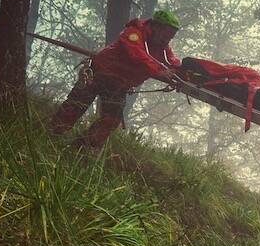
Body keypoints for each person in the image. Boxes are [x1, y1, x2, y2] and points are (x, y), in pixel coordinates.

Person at [50, 10, 182, 149]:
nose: (168, 39)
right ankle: (51, 137)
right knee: (74, 108)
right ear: (156, 26)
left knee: (110, 121)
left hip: (119, 85)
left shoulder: (162, 47)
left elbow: (172, 62)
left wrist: (181, 74)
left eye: (171, 36)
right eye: (166, 34)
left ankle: (80, 149)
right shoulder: (133, 33)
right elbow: (136, 54)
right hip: (98, 74)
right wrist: (160, 71)